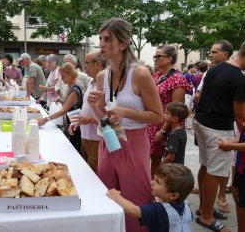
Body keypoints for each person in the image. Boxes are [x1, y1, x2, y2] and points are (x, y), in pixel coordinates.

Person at [87, 18, 163, 232]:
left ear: (123, 43)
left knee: (136, 199)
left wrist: (125, 112)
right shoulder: (102, 76)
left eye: (107, 39)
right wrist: (93, 106)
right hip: (107, 140)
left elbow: (158, 116)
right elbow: (102, 117)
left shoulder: (139, 73)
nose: (101, 43)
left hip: (134, 142)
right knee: (107, 196)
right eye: (100, 38)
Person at [194, 41, 245, 232]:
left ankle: (202, 208)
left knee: (206, 166)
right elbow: (240, 117)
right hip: (218, 128)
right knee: (215, 172)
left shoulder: (215, 68)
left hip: (201, 121)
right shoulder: (239, 79)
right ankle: (207, 217)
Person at [107, 163, 194, 232]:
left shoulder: (158, 210)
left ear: (173, 196)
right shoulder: (186, 206)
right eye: (154, 178)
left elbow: (133, 211)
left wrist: (116, 196)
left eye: (157, 182)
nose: (151, 182)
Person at [147, 45, 191, 178]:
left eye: (158, 56)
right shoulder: (157, 75)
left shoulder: (177, 78)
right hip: (153, 123)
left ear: (169, 59)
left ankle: (155, 188)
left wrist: (164, 130)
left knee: (159, 159)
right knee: (152, 157)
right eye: (155, 56)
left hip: (166, 126)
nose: (155, 59)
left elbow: (176, 109)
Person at [69, 50, 106, 173]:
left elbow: (109, 116)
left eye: (87, 63)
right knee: (87, 172)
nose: (84, 66)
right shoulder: (91, 82)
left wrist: (89, 120)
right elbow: (86, 107)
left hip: (96, 139)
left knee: (95, 174)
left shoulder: (105, 84)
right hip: (85, 136)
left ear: (98, 64)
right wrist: (76, 122)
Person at [38, 62, 83, 155]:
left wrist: (46, 119)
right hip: (72, 123)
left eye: (63, 76)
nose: (61, 79)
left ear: (70, 75)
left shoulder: (74, 90)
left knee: (75, 150)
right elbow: (71, 104)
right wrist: (61, 100)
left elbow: (64, 110)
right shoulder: (71, 87)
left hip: (75, 126)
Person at [219, 121, 245, 232]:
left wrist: (229, 145)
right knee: (239, 199)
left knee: (242, 203)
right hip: (241, 167)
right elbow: (241, 138)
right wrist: (228, 143)